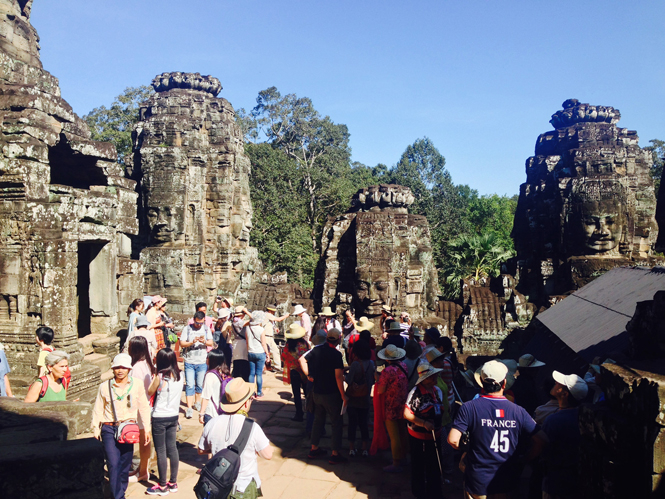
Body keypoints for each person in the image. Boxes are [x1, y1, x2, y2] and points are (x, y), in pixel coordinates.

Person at [448, 360, 540, 499]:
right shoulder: (518, 411)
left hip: (478, 479)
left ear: (482, 383)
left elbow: (453, 440)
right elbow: (542, 439)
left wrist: (468, 453)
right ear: (504, 383)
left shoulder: (469, 407)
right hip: (507, 478)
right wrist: (525, 459)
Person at [198, 378, 273, 499]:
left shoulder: (212, 423)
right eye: (250, 398)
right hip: (243, 488)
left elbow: (201, 450)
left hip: (218, 489)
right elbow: (267, 454)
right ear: (245, 403)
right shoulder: (252, 427)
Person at [92, 353, 151, 499]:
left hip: (128, 429)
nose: (120, 370)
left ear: (129, 369)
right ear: (113, 369)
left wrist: (147, 428)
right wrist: (95, 429)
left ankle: (120, 490)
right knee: (113, 463)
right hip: (109, 428)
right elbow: (98, 409)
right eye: (117, 367)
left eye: (123, 368)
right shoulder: (104, 387)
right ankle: (118, 496)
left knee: (125, 464)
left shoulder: (136, 384)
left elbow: (144, 407)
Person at [531, 371, 588, 499]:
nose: (556, 383)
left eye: (559, 384)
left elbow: (540, 446)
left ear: (564, 394)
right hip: (575, 478)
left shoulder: (554, 420)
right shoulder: (583, 416)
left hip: (555, 480)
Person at [306, 327, 348, 464]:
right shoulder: (336, 355)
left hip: (317, 392)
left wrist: (309, 375)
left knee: (318, 420)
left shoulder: (317, 350)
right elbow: (338, 377)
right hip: (331, 394)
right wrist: (343, 395)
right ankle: (335, 453)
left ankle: (314, 448)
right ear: (338, 339)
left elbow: (303, 360)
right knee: (336, 423)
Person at [404, 362, 445, 499]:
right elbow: (407, 414)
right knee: (419, 465)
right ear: (424, 378)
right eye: (431, 377)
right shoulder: (415, 393)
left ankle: (435, 492)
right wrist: (423, 423)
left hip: (435, 435)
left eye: (434, 376)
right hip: (418, 437)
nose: (434, 379)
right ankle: (419, 493)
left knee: (434, 465)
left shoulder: (436, 391)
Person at [145, 348, 183, 495]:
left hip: (159, 417)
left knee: (161, 450)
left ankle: (162, 485)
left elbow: (149, 391)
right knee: (172, 448)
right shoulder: (180, 376)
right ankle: (173, 482)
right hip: (173, 415)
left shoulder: (159, 377)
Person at [375, 343, 409, 472]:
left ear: (387, 359)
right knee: (402, 432)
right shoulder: (404, 366)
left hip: (391, 405)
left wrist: (378, 379)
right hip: (403, 403)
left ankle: (396, 462)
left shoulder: (387, 371)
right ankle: (404, 457)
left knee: (394, 435)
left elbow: (381, 390)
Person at [128, 336, 155, 482]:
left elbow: (136, 390)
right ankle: (141, 469)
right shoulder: (145, 363)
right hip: (144, 405)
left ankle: (143, 471)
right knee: (144, 439)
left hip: (140, 407)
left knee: (143, 441)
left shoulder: (137, 367)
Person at [425, 349, 454, 483]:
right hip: (438, 420)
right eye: (440, 361)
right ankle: (441, 474)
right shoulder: (431, 380)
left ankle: (444, 473)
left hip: (445, 417)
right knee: (443, 449)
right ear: (433, 363)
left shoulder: (439, 376)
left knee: (447, 447)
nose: (443, 362)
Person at [180, 310, 214, 419]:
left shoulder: (206, 328)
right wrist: (192, 342)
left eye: (201, 323)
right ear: (193, 320)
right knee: (190, 384)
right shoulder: (187, 329)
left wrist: (203, 341)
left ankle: (197, 402)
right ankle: (189, 407)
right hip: (190, 360)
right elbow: (182, 343)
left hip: (201, 361)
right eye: (197, 323)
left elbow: (211, 343)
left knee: (200, 384)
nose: (199, 325)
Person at [345, 339, 375, 457]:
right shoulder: (371, 364)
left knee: (352, 423)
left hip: (353, 397)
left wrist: (343, 375)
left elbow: (348, 380)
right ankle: (364, 448)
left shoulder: (355, 364)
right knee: (363, 423)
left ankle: (351, 448)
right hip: (365, 397)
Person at [281, 324, 310, 422]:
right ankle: (310, 412)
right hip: (304, 370)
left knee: (296, 394)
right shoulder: (305, 343)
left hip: (294, 372)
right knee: (307, 393)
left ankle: (299, 414)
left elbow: (283, 357)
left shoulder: (289, 346)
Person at [199, 348, 232, 426]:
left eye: (208, 357)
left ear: (212, 360)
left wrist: (201, 413)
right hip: (222, 411)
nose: (206, 359)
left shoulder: (210, 375)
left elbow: (206, 397)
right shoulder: (224, 373)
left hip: (211, 412)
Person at [246, 311, 270, 398]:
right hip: (260, 353)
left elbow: (247, 342)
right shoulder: (261, 330)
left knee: (251, 373)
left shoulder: (248, 328)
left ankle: (251, 392)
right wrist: (267, 354)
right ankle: (259, 392)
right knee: (259, 374)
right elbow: (264, 343)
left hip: (250, 352)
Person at [263, 305, 289, 372]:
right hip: (266, 336)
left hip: (270, 337)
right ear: (270, 311)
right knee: (266, 352)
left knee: (275, 350)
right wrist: (286, 315)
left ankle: (277, 366)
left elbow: (272, 324)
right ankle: (264, 366)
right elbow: (279, 319)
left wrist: (275, 328)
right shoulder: (267, 314)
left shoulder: (270, 316)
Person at [231, 306, 252, 381]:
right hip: (242, 344)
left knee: (237, 364)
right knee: (244, 365)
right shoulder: (239, 322)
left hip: (237, 344)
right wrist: (247, 312)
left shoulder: (234, 321)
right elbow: (255, 320)